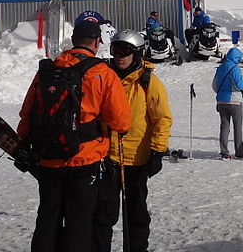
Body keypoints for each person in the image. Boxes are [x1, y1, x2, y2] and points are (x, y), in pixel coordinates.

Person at [18, 17, 131, 252]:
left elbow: (27, 112)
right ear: (97, 42)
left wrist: (26, 141)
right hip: (85, 160)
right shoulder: (102, 72)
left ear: (73, 40)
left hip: (48, 158)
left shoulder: (48, 70)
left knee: (47, 219)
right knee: (79, 222)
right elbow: (120, 122)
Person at [92, 30, 172, 252]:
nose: (119, 56)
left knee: (135, 214)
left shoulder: (148, 82)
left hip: (136, 160)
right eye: (115, 50)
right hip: (108, 158)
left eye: (125, 51)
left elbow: (162, 118)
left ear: (136, 53)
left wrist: (157, 151)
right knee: (103, 214)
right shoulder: (105, 78)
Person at [212, 47, 243, 159]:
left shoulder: (220, 68)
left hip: (221, 101)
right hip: (235, 101)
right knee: (237, 127)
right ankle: (239, 152)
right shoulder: (235, 69)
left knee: (224, 127)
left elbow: (214, 85)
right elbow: (239, 85)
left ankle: (224, 152)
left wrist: (222, 93)